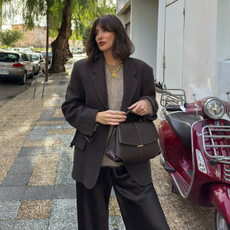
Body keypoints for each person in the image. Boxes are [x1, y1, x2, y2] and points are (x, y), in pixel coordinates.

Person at [62, 14, 170, 230]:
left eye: (105, 30)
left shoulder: (142, 70)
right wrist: (95, 117)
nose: (100, 36)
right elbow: (70, 107)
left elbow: (151, 103)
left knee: (152, 223)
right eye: (96, 32)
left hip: (131, 158)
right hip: (92, 159)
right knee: (91, 224)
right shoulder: (82, 69)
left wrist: (146, 104)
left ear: (118, 33)